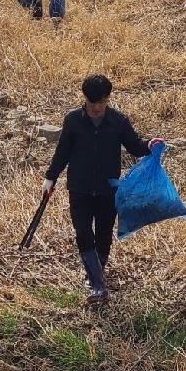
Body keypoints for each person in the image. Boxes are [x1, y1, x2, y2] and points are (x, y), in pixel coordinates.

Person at [43, 74, 163, 305]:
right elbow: (63, 152)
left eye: (102, 102)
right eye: (93, 103)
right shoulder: (72, 121)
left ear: (108, 99)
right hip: (80, 188)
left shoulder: (118, 121)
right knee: (83, 232)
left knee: (104, 235)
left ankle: (95, 274)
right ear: (85, 98)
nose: (97, 108)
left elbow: (134, 146)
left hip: (108, 189)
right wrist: (50, 178)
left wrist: (149, 145)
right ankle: (96, 283)